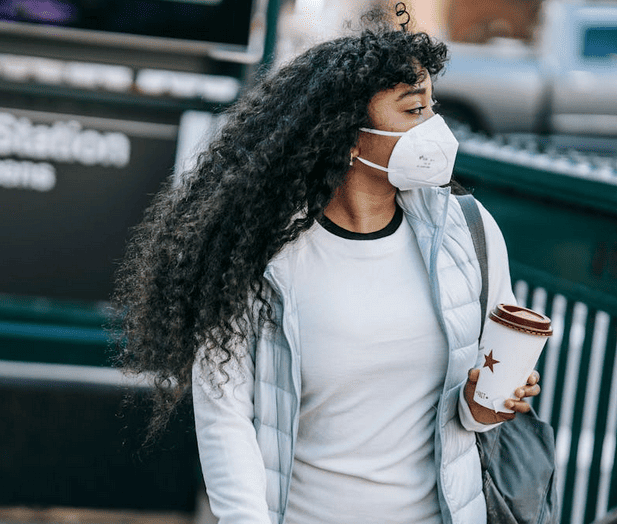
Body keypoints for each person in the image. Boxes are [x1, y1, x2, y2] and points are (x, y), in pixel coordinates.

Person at [112, 4, 542, 523]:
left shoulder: (469, 232)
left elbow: (481, 405)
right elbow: (226, 420)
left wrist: (485, 403)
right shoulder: (258, 256)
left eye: (432, 107)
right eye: (412, 111)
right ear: (346, 134)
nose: (435, 128)